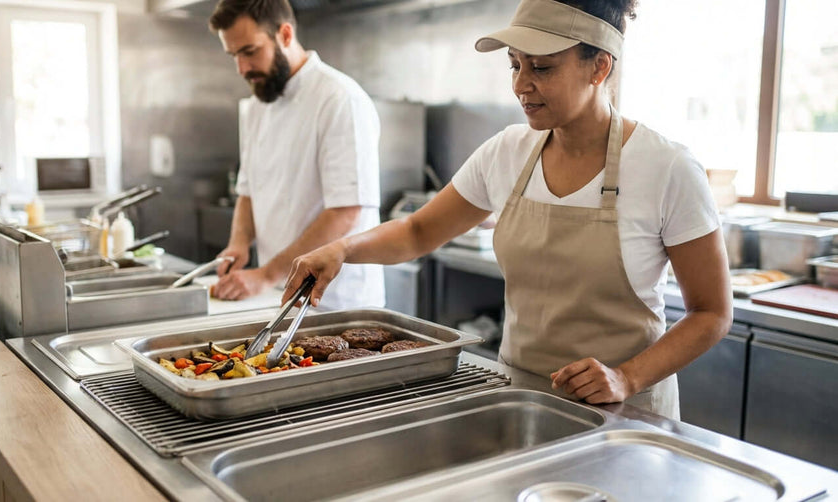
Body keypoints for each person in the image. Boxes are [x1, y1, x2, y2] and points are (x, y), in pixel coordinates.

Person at [283, 0, 732, 419]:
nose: (521, 84)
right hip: (518, 398)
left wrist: (625, 376)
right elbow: (419, 232)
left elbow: (711, 312)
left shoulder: (666, 167)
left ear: (599, 67)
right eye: (515, 65)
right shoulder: (507, 151)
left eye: (542, 67)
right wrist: (342, 249)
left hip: (624, 411)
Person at [207, 0, 385, 310]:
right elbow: (247, 191)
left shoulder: (340, 99)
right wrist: (239, 243)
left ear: (285, 34)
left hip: (336, 301)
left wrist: (265, 274)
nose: (242, 69)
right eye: (234, 55)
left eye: (249, 51)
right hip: (276, 294)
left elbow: (345, 211)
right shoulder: (259, 104)